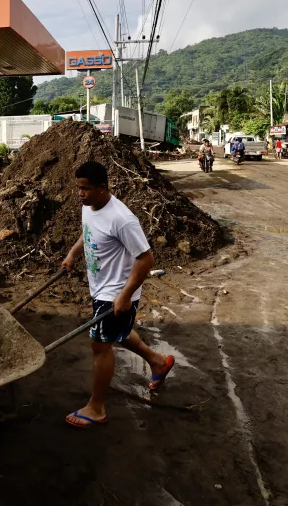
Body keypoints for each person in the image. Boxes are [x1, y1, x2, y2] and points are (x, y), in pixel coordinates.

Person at [61, 161, 174, 428]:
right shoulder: (90, 206)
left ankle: (96, 408)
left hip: (116, 292)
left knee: (100, 345)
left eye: (85, 189)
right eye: (78, 187)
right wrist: (72, 254)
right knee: (116, 334)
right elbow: (87, 232)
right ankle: (158, 362)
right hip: (101, 287)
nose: (80, 193)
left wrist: (124, 295)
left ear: (102, 188)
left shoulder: (121, 219)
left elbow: (146, 259)